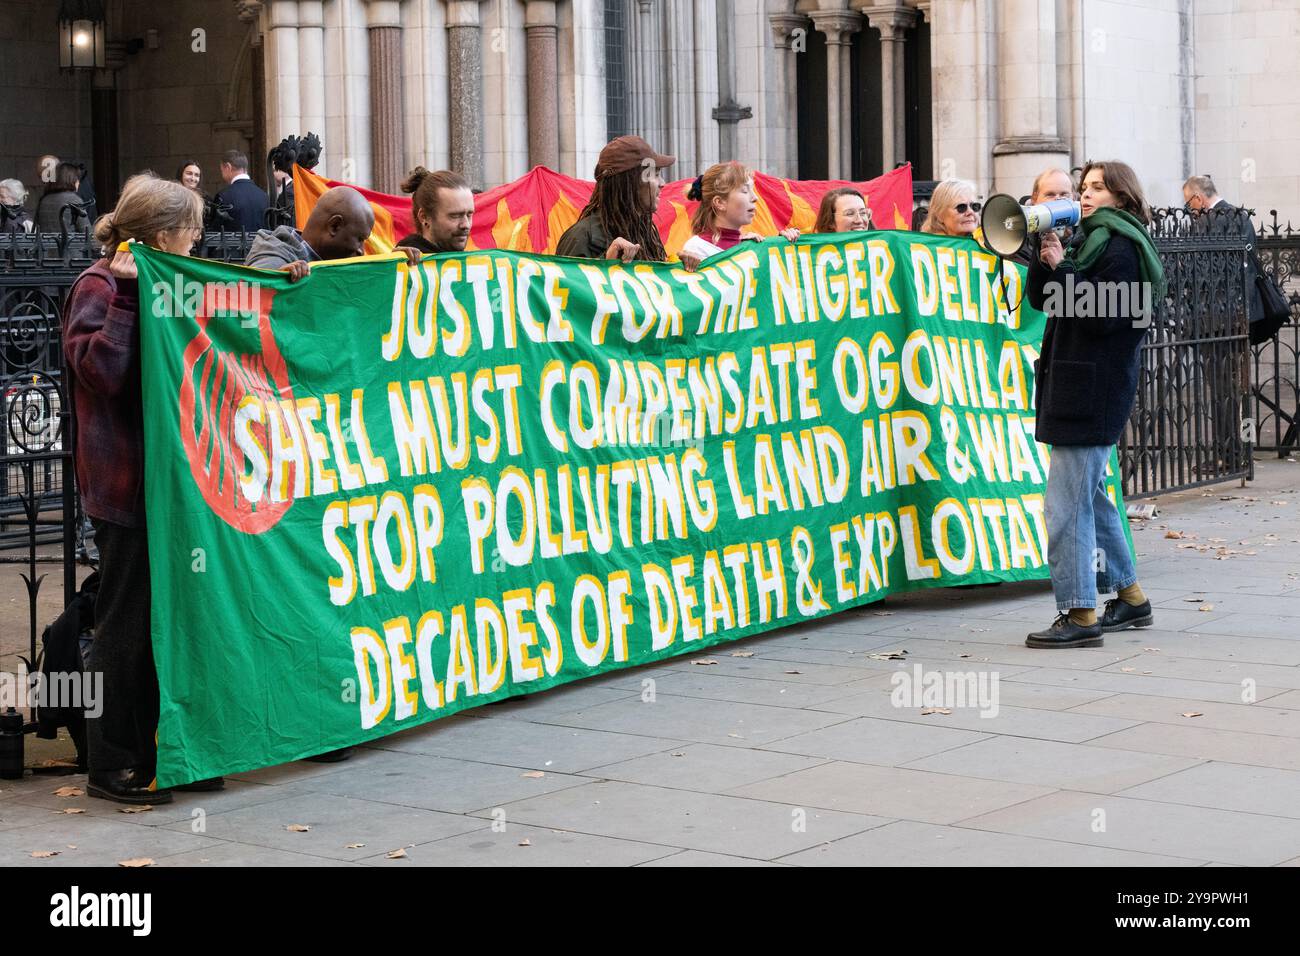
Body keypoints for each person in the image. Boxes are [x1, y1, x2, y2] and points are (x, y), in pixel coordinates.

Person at [62, 173, 223, 802]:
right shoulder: (98, 288)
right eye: (192, 232)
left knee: (171, 622)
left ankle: (169, 750)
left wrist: (284, 285)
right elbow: (102, 373)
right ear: (161, 236)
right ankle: (112, 763)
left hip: (174, 484)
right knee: (123, 627)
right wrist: (128, 299)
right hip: (126, 488)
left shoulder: (171, 277)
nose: (199, 242)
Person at [1024, 159, 1164, 649]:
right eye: (1084, 187)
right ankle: (1130, 597)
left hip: (1093, 392)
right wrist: (1046, 263)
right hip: (1074, 385)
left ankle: (1081, 613)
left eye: (1098, 188)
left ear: (1122, 197)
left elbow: (1108, 314)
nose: (1085, 195)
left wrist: (1063, 269)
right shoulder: (1088, 242)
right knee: (1094, 498)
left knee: (1065, 506)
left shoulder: (1121, 246)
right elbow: (1049, 302)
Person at [555, 136, 674, 262]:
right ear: (630, 182)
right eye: (655, 175)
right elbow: (566, 281)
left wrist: (682, 270)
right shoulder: (579, 238)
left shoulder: (646, 233)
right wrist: (607, 263)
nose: (662, 183)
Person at [680, 161, 799, 270]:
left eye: (753, 190)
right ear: (720, 203)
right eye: (745, 191)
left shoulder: (752, 244)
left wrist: (781, 244)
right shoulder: (696, 249)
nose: (755, 198)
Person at [244, 184, 375, 281]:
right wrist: (277, 280)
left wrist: (393, 267)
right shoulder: (274, 257)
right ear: (334, 226)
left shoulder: (328, 262)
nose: (361, 251)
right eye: (359, 239)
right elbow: (251, 290)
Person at [395, 167, 475, 254]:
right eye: (455, 216)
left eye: (469, 215)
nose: (466, 225)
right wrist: (393, 265)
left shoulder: (477, 262)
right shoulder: (404, 263)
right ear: (424, 217)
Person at [1009, 168, 1077, 267]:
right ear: (1034, 199)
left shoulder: (1084, 240)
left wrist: (1060, 266)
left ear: (1074, 198)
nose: (1058, 200)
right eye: (1050, 195)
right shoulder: (1016, 243)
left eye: (1064, 194)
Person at [215, 149, 268, 231]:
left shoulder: (223, 196)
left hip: (233, 244)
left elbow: (215, 234)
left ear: (228, 167)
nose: (222, 174)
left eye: (222, 170)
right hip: (260, 243)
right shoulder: (264, 196)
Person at [36, 161, 86, 232]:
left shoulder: (44, 199)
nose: (79, 182)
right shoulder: (74, 200)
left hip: (46, 242)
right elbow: (86, 231)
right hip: (68, 242)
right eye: (77, 178)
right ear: (71, 180)